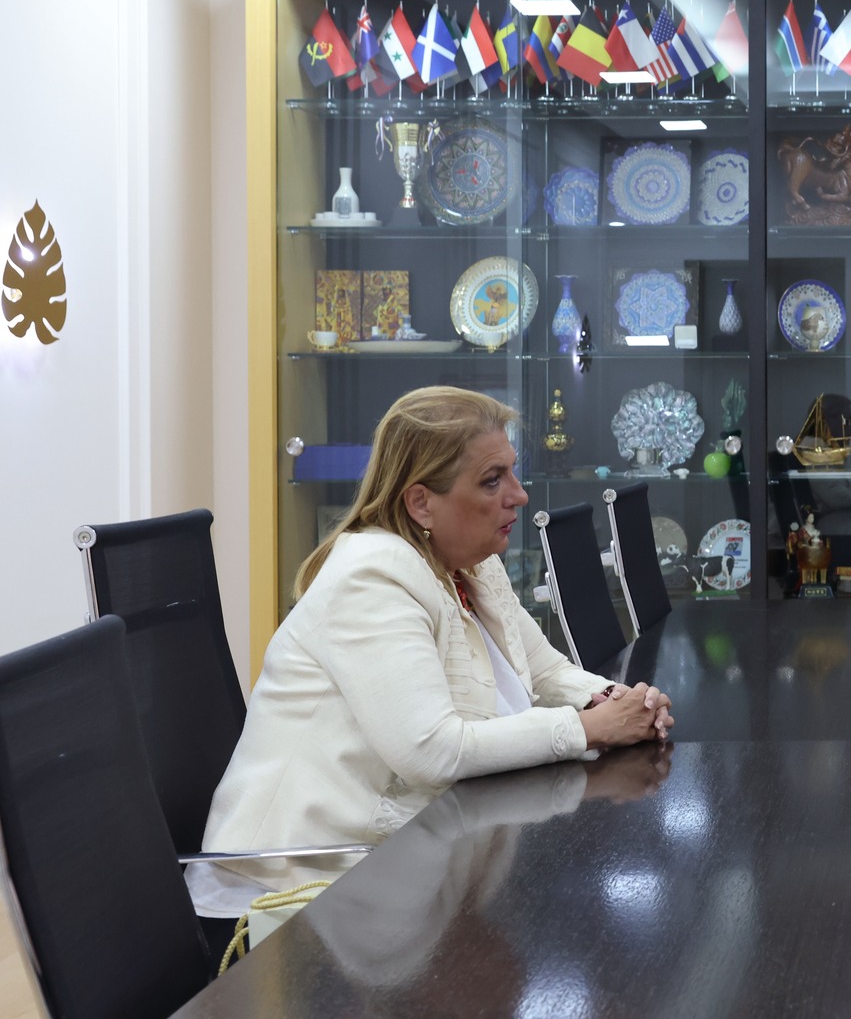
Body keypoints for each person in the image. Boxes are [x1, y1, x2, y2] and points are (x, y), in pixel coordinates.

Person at [190, 387, 673, 942]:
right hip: (301, 894)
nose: (518, 495)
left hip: (404, 866)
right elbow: (431, 752)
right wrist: (589, 728)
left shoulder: (470, 562)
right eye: (492, 481)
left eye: (512, 473)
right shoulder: (372, 578)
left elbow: (544, 671)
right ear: (421, 503)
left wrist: (615, 700)